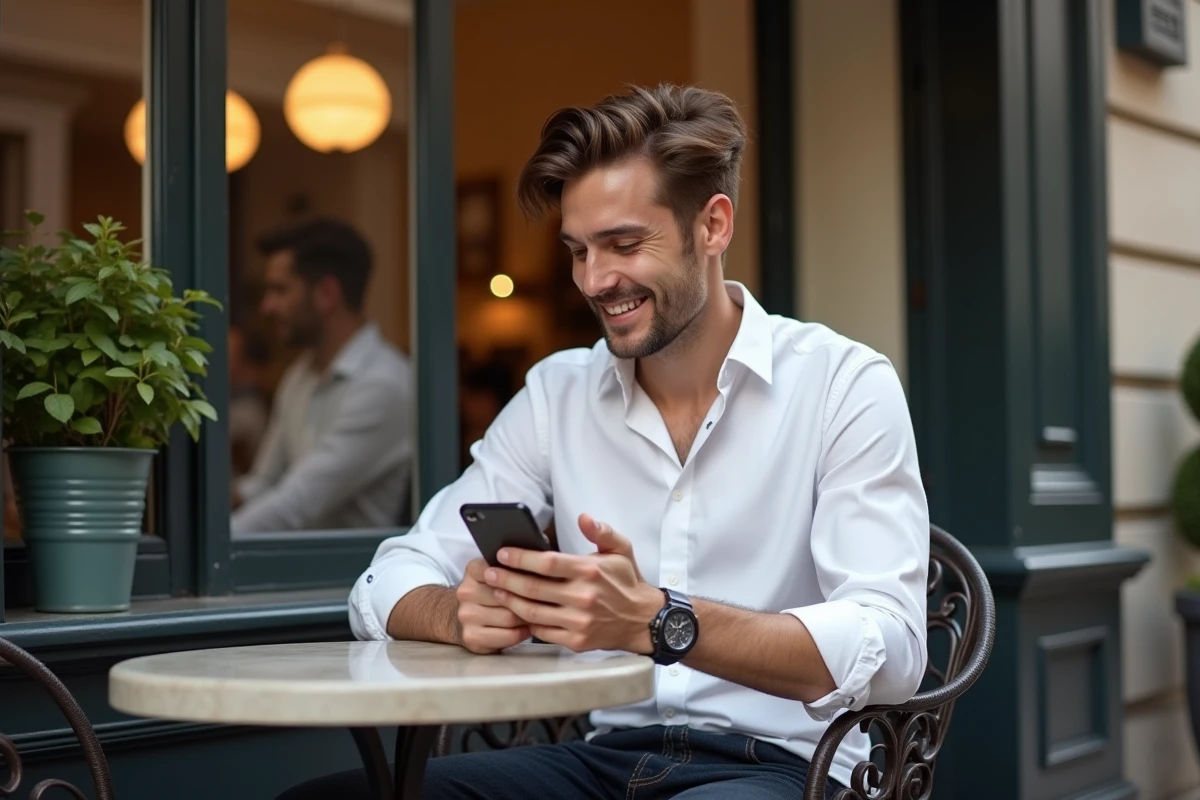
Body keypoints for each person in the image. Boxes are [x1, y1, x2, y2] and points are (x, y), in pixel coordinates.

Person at [280, 84, 929, 798]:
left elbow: (891, 647)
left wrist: (661, 620)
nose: (595, 280)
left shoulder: (843, 384)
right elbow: (387, 579)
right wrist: (459, 614)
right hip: (603, 759)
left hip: (785, 765)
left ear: (713, 227)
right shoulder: (558, 394)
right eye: (578, 251)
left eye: (624, 244)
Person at [231, 218, 413, 534]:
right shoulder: (299, 375)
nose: (266, 306)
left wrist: (206, 550)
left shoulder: (382, 384)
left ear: (327, 293)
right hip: (294, 568)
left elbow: (295, 505)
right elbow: (265, 484)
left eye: (279, 290)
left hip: (350, 575)